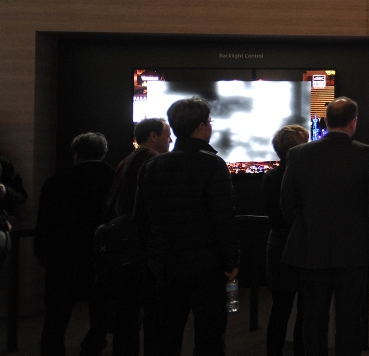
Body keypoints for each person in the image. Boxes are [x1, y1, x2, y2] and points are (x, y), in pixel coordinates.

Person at [280, 97, 369, 356]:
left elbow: (287, 203)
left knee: (313, 318)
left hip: (311, 249)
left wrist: (308, 226)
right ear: (354, 122)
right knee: (350, 319)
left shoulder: (298, 154)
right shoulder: (368, 154)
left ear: (326, 121)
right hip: (353, 251)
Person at [134, 97, 240, 356]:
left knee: (166, 336)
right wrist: (231, 260)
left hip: (166, 265)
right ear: (201, 127)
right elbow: (223, 218)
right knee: (209, 337)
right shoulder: (213, 165)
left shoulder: (152, 166)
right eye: (209, 122)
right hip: (207, 267)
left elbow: (141, 219)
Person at [35, 132, 115, 356]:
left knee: (57, 314)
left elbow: (45, 222)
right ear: (103, 153)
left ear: (76, 154)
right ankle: (91, 348)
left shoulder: (57, 182)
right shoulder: (114, 180)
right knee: (100, 311)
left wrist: (42, 252)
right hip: (101, 257)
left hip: (63, 257)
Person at [103, 118, 171, 356]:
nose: (170, 140)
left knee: (127, 313)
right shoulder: (152, 161)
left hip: (126, 246)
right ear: (153, 136)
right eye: (167, 135)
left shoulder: (126, 161)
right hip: (143, 248)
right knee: (151, 312)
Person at [263, 124, 309, 356]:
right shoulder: (307, 179)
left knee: (279, 310)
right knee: (305, 312)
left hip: (277, 248)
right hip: (304, 248)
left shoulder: (270, 177)